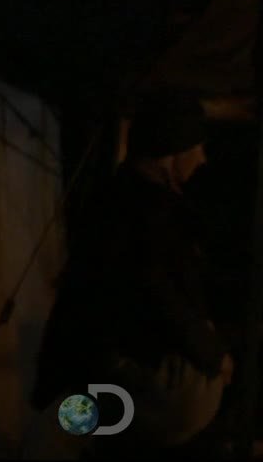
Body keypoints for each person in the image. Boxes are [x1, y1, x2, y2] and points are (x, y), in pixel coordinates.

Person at [28, 93, 231, 458]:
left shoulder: (120, 201)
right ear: (171, 151)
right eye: (196, 148)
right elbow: (156, 292)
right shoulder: (144, 214)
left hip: (106, 381)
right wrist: (213, 354)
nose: (202, 158)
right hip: (119, 382)